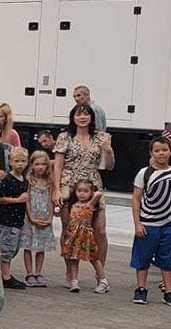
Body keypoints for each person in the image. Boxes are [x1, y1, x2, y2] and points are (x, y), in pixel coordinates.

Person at [53, 103, 112, 270]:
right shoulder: (64, 137)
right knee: (69, 229)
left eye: (86, 114)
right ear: (73, 118)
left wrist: (109, 151)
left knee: (100, 230)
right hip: (69, 185)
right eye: (78, 114)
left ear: (92, 117)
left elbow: (110, 166)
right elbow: (58, 165)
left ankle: (101, 273)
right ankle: (71, 272)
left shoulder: (100, 137)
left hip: (93, 185)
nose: (82, 117)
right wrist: (57, 189)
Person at [129, 139, 171, 307]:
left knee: (169, 260)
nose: (161, 153)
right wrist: (137, 224)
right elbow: (136, 199)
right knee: (143, 258)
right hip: (148, 224)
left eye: (164, 150)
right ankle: (141, 289)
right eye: (157, 150)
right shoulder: (144, 173)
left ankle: (169, 292)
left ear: (170, 151)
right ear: (151, 153)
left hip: (170, 225)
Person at [0, 148, 30, 289]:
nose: (20, 164)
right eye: (16, 161)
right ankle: (5, 276)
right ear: (10, 162)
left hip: (18, 220)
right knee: (6, 248)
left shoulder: (24, 180)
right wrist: (17, 200)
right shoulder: (6, 179)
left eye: (23, 161)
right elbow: (0, 199)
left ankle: (4, 272)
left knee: (14, 248)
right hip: (7, 220)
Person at [21, 150, 59, 288]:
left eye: (43, 164)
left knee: (41, 247)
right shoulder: (29, 180)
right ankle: (29, 273)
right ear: (31, 165)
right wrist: (30, 216)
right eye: (37, 164)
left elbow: (51, 200)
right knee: (28, 245)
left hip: (44, 216)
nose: (40, 167)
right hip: (30, 216)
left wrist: (50, 217)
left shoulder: (50, 182)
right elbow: (27, 200)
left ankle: (38, 272)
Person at [62, 180, 107, 292]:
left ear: (91, 193)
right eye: (79, 191)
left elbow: (99, 194)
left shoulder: (90, 205)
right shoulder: (73, 205)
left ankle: (103, 280)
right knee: (73, 259)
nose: (82, 194)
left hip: (86, 236)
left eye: (85, 191)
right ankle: (74, 281)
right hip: (74, 235)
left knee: (94, 258)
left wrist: (93, 191)